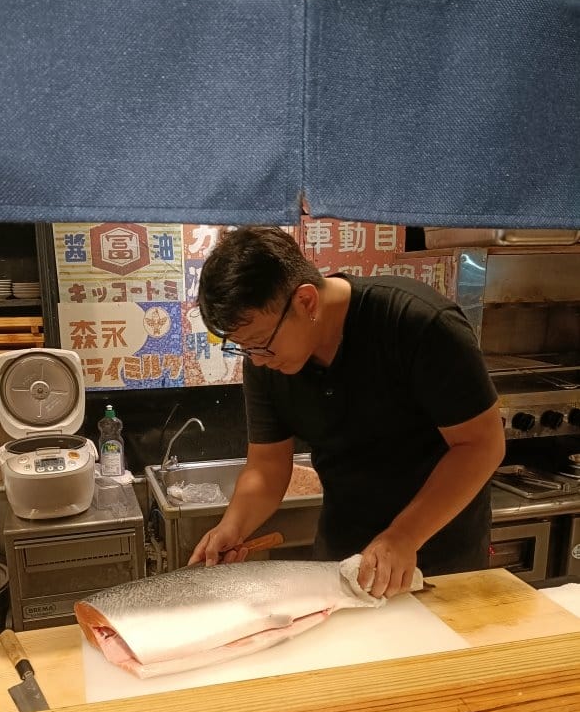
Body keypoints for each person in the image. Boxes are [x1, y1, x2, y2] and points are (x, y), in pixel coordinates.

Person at [188, 226, 505, 600]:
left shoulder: (417, 323)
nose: (256, 360)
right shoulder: (267, 362)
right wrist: (233, 525)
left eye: (261, 344)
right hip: (343, 558)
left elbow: (481, 445)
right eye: (245, 349)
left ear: (306, 302)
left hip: (439, 553)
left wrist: (403, 536)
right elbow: (267, 465)